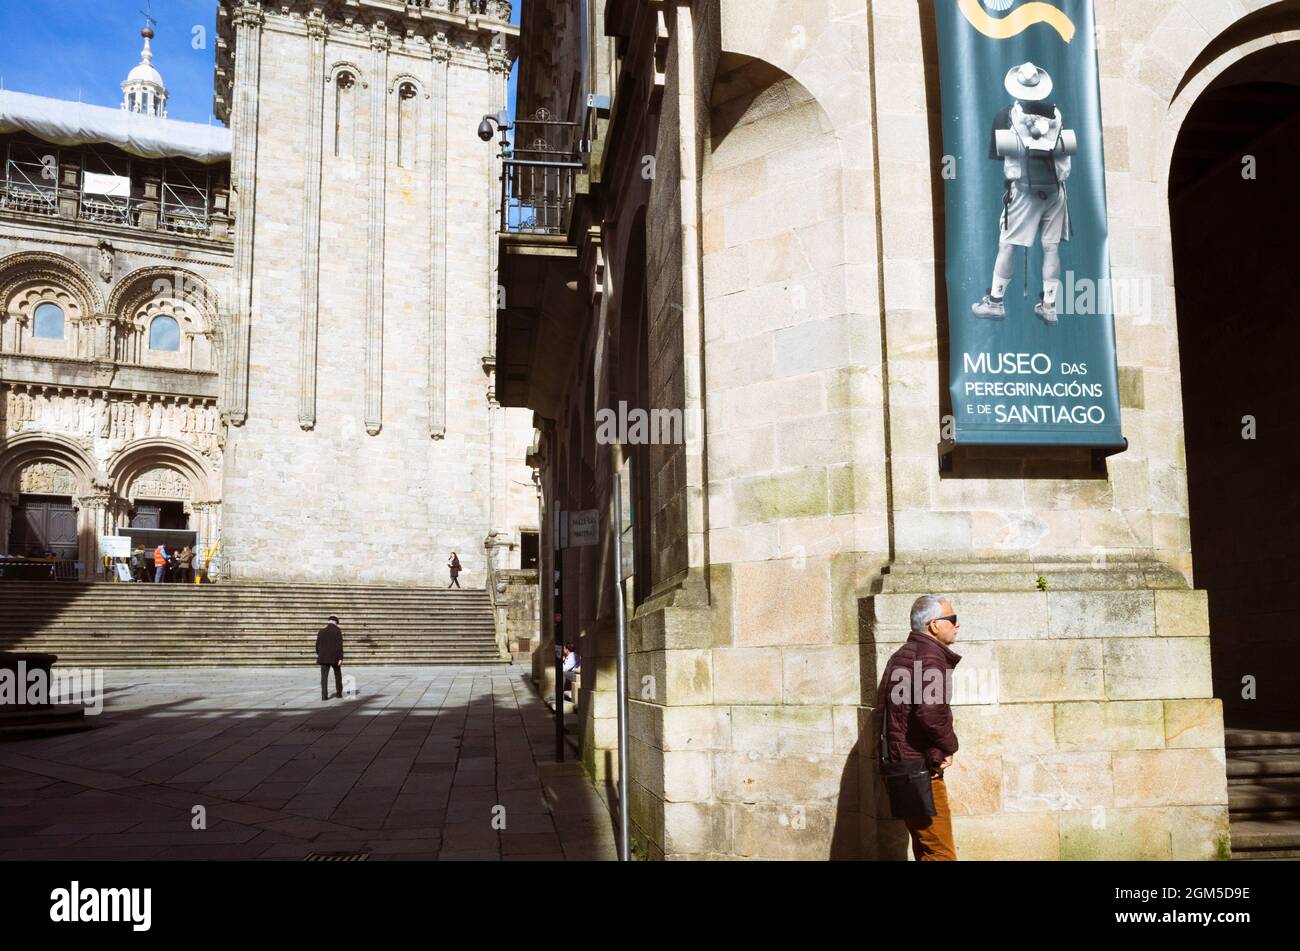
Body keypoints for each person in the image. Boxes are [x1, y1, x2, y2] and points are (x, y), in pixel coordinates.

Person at [972, 62, 1073, 326]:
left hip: (1024, 190)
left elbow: (997, 154)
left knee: (1007, 244)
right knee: (1051, 248)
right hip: (1055, 190)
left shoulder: (1005, 115)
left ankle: (995, 302)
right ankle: (1050, 306)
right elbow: (1067, 152)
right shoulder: (1059, 115)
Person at [880, 595, 962, 861]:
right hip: (920, 771)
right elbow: (930, 713)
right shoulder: (930, 657)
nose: (957, 625)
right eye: (952, 619)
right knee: (940, 854)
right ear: (934, 625)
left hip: (902, 767)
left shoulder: (903, 654)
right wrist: (950, 746)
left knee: (925, 848)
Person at [315, 615, 344, 701]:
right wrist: (340, 658)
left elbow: (317, 645)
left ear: (328, 622)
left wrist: (320, 654)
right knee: (337, 675)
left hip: (323, 657)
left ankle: (324, 696)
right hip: (335, 658)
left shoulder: (321, 631)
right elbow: (339, 646)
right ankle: (339, 693)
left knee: (324, 677)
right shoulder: (337, 631)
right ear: (335, 623)